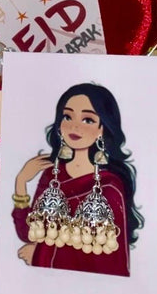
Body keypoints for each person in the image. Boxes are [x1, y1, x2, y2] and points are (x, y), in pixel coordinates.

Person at [12, 83, 143, 276]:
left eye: (88, 119)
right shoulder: (52, 175)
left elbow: (105, 256)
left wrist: (39, 254)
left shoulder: (109, 186)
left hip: (88, 289)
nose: (74, 126)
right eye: (67, 117)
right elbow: (29, 233)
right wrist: (21, 181)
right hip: (46, 283)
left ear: (102, 129)